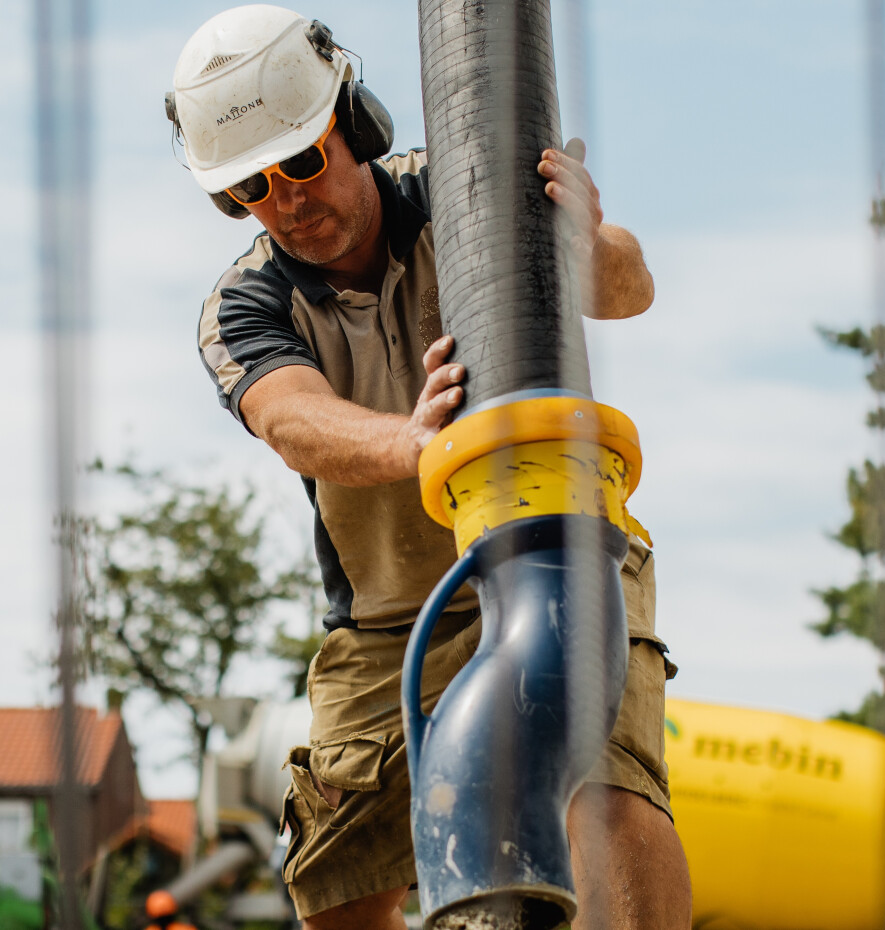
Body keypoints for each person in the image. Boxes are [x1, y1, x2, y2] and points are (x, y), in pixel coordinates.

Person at [170, 7, 691, 930]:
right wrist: (416, 443)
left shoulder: (464, 190)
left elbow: (629, 287)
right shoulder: (243, 304)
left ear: (354, 124)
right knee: (335, 881)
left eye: (301, 161)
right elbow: (293, 420)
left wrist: (583, 244)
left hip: (559, 541)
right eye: (252, 186)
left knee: (607, 784)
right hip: (385, 618)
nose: (287, 199)